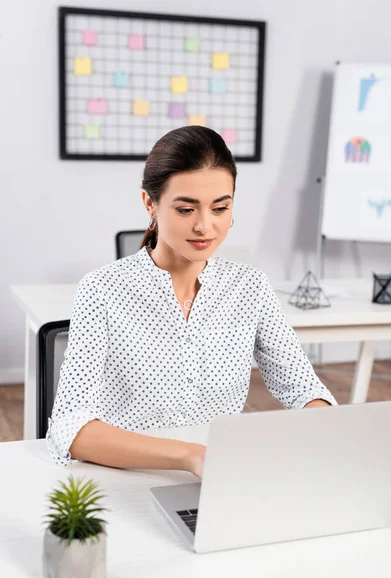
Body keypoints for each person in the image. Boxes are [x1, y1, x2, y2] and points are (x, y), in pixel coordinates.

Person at [46, 126, 336, 477]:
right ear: (150, 204)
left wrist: (326, 432)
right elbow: (68, 425)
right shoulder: (102, 289)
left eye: (220, 208)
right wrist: (190, 456)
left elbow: (304, 389)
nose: (205, 226)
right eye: (186, 209)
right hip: (123, 474)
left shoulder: (250, 286)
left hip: (223, 475)